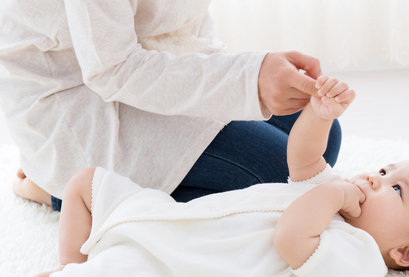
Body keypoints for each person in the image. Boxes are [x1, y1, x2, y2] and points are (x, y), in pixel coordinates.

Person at [0, 76, 409, 277]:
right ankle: (73, 265)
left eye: (395, 190)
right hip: (165, 218)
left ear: (407, 253)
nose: (375, 178)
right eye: (384, 170)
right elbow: (304, 157)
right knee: (86, 183)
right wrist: (317, 115)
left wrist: (332, 194)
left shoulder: (356, 261)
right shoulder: (328, 196)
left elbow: (291, 238)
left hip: (171, 270)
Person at [0, 0, 341, 211]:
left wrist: (252, 77)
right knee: (280, 178)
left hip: (144, 65)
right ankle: (63, 193)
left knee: (322, 137)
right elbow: (111, 70)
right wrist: (247, 80)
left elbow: (183, 22)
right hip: (74, 94)